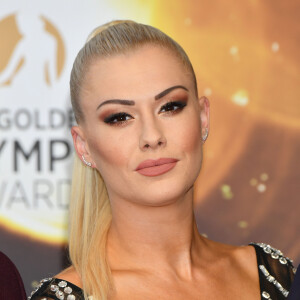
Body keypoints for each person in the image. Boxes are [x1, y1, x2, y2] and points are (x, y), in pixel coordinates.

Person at [29, 20, 295, 300]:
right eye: (120, 117)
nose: (152, 136)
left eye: (170, 107)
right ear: (84, 146)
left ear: (203, 117)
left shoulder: (273, 275)